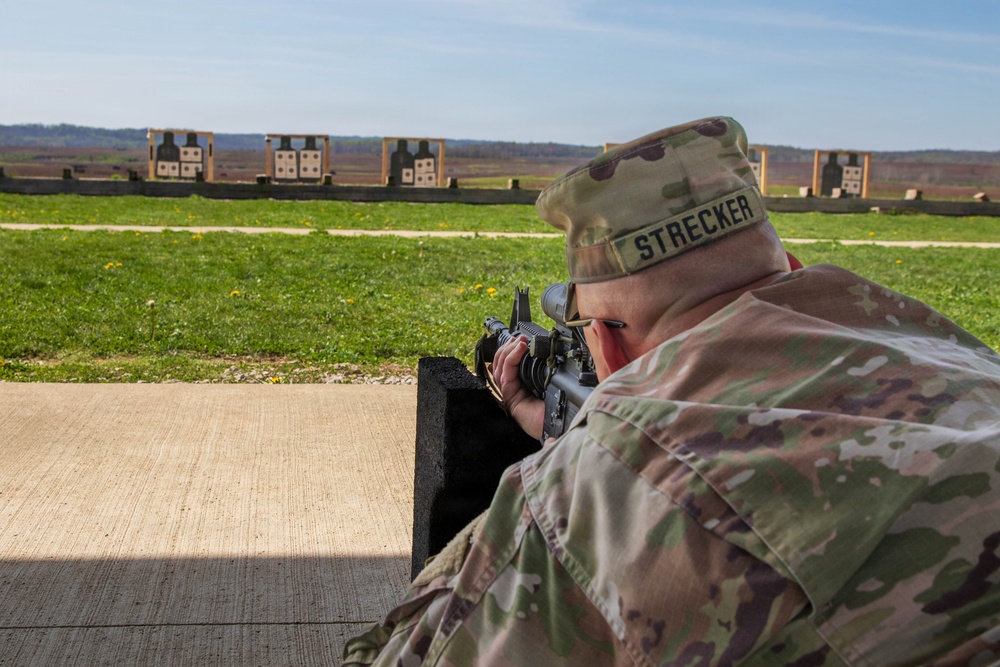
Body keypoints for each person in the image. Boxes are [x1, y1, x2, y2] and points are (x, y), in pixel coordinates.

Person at [343, 117, 1000, 666]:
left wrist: (559, 471)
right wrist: (548, 422)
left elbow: (400, 653)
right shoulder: (957, 358)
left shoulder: (601, 494)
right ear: (789, 272)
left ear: (607, 342)